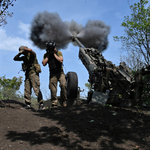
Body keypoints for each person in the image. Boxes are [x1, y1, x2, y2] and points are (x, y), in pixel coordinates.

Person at [13, 46, 44, 110]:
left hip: (34, 74)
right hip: (27, 74)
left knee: (36, 89)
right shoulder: (24, 57)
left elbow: (33, 53)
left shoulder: (32, 55)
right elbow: (15, 59)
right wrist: (20, 53)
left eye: (23, 52)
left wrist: (27, 50)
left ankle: (41, 104)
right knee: (27, 90)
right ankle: (28, 104)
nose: (23, 53)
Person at [42, 41, 67, 107]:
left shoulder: (58, 53)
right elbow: (44, 63)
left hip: (60, 72)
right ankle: (54, 104)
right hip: (53, 74)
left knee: (63, 85)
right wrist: (48, 56)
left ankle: (64, 100)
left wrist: (54, 54)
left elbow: (61, 60)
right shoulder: (46, 55)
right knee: (53, 89)